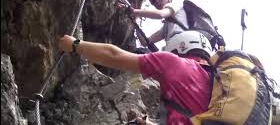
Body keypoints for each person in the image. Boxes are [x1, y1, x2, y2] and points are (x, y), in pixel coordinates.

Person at [59, 31, 213, 125]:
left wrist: (74, 44)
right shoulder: (218, 82)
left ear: (178, 47)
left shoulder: (173, 63)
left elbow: (114, 56)